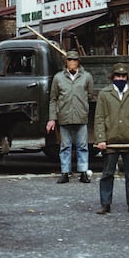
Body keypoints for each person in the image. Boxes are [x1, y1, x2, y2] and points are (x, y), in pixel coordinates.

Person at [94, 63, 129, 214]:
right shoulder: (104, 94)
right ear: (112, 77)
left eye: (123, 76)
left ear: (127, 77)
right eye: (118, 76)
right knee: (107, 174)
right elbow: (99, 118)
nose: (120, 79)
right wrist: (101, 139)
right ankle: (105, 203)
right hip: (110, 141)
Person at [46, 50, 94, 184]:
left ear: (78, 62)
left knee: (82, 146)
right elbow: (53, 99)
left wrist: (83, 108)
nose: (72, 63)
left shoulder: (86, 77)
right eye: (70, 60)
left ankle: (83, 172)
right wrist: (52, 118)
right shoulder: (58, 78)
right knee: (65, 146)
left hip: (81, 116)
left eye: (75, 60)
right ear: (65, 62)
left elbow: (90, 95)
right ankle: (65, 172)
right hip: (64, 116)